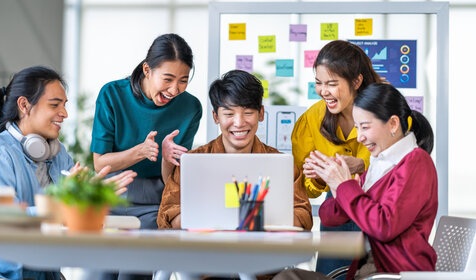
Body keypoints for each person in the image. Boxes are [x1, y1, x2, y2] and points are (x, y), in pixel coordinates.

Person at [0, 66, 136, 280]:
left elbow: (70, 217)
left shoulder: (58, 155)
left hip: (36, 272)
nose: (65, 113)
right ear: (24, 105)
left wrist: (88, 197)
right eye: (55, 105)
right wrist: (62, 207)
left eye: (64, 105)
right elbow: (0, 224)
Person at [274, 83, 437, 280]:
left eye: (365, 127)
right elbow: (329, 217)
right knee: (288, 276)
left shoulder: (416, 162)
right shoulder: (379, 164)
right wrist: (333, 182)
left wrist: (345, 185)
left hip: (391, 275)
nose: (359, 137)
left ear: (393, 124)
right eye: (357, 127)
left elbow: (384, 227)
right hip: (365, 273)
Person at [158, 69, 312, 230]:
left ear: (261, 114)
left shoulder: (282, 165)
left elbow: (304, 217)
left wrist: (252, 218)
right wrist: (221, 218)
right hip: (208, 251)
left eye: (247, 112)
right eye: (229, 114)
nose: (239, 123)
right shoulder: (192, 162)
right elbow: (168, 215)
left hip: (264, 251)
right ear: (216, 117)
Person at [91, 33, 202, 230]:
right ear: (147, 70)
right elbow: (100, 163)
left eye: (183, 80)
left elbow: (173, 180)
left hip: (157, 201)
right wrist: (140, 152)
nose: (175, 89)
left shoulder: (190, 107)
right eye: (168, 79)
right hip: (111, 195)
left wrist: (166, 159)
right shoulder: (111, 94)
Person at [291, 40, 381, 275]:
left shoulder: (384, 112)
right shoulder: (312, 119)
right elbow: (308, 190)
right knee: (332, 276)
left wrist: (360, 165)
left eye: (332, 84)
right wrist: (319, 178)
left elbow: (402, 164)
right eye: (319, 83)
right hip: (337, 212)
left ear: (356, 81)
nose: (323, 91)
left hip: (381, 212)